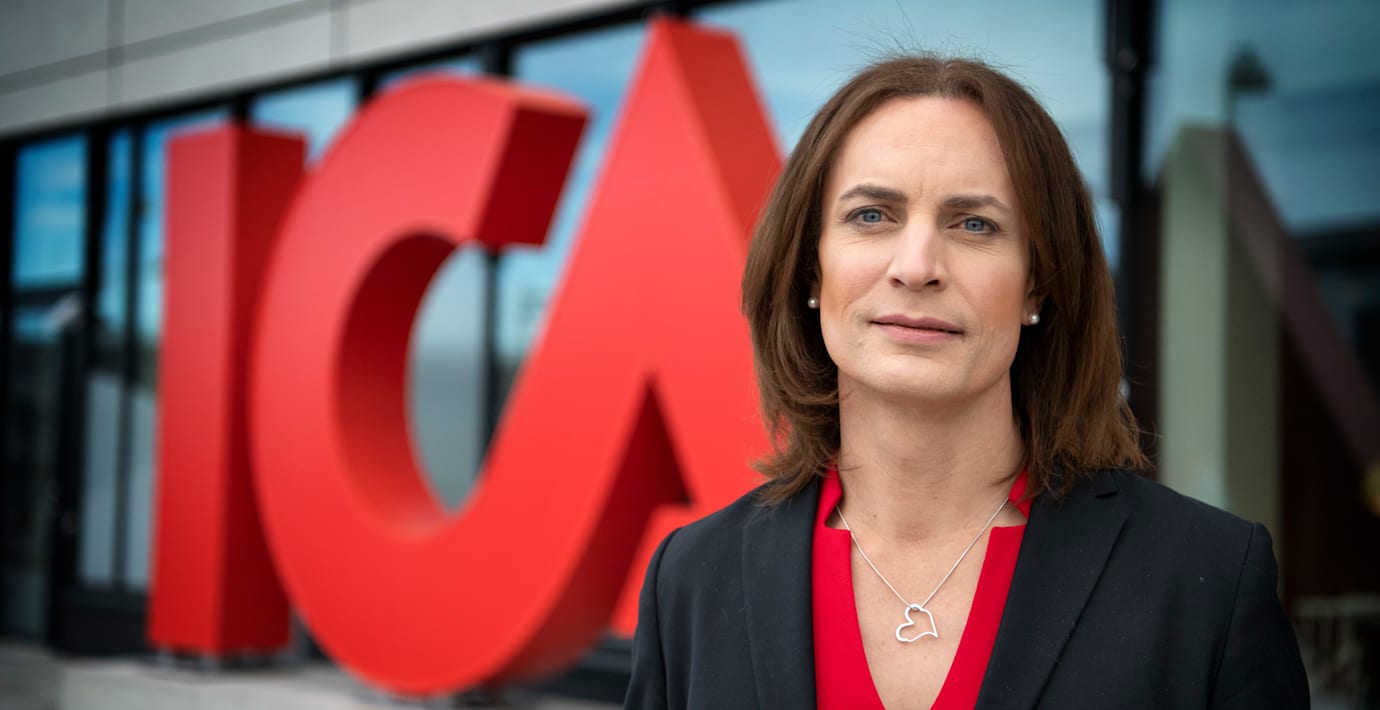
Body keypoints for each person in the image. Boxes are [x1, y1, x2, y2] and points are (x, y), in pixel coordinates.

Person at [624, 54, 1310, 709]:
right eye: (872, 216)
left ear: (1038, 285)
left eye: (975, 224)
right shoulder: (690, 579)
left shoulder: (1208, 581)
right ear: (811, 268)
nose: (916, 266)